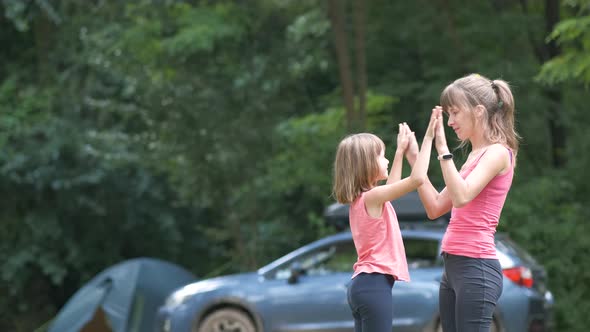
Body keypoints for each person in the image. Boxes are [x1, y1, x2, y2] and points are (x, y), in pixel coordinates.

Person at [405, 73, 520, 331]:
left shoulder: (498, 153)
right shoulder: (473, 156)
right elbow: (435, 207)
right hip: (453, 266)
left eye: (455, 113)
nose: (450, 121)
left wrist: (443, 149)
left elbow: (462, 195)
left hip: (476, 268)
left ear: (478, 111)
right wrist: (415, 157)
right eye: (448, 114)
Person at [332, 115, 436, 332]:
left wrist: (399, 153)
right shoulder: (372, 198)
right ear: (366, 164)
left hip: (364, 285)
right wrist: (428, 138)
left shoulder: (366, 200)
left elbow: (392, 190)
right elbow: (417, 179)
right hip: (373, 285)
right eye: (381, 156)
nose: (386, 160)